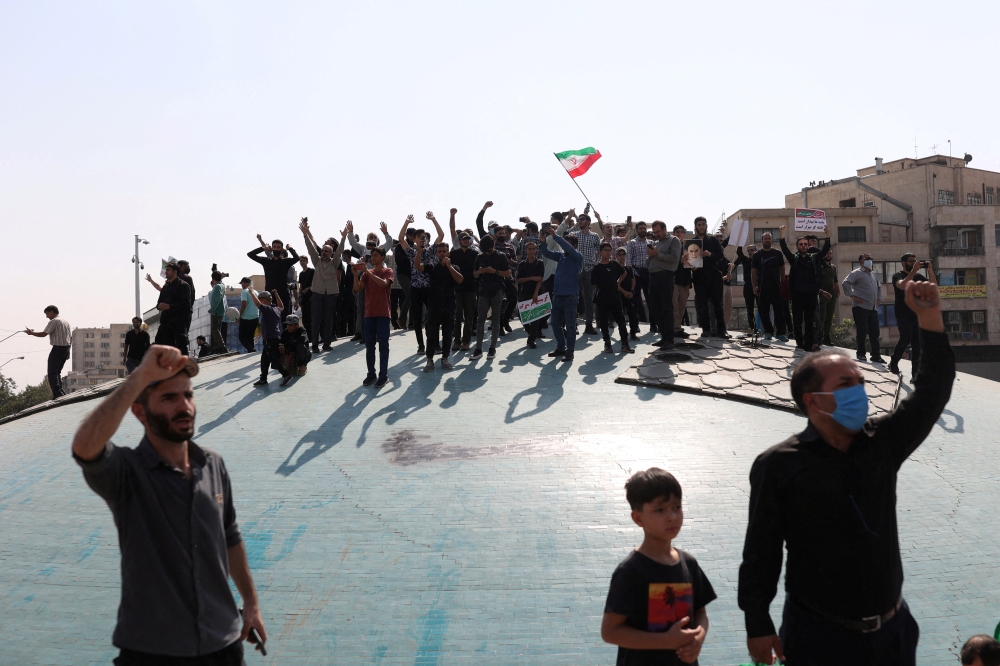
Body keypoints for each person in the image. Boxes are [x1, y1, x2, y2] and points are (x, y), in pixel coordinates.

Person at [738, 281, 953, 665]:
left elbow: (932, 392)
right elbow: (761, 554)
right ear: (813, 400)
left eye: (860, 383)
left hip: (892, 634)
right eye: (845, 384)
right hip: (818, 637)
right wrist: (758, 622)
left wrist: (930, 318)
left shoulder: (881, 444)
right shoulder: (780, 465)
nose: (859, 391)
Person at [70, 344, 266, 664]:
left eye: (188, 395)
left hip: (223, 645)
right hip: (151, 651)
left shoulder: (213, 464)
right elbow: (84, 446)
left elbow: (230, 537)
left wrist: (251, 603)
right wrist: (141, 375)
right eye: (169, 398)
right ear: (140, 412)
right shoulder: (126, 472)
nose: (184, 406)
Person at [602, 468, 716, 665]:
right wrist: (665, 641)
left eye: (677, 507)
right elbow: (610, 632)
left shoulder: (688, 563)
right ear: (638, 518)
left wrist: (698, 638)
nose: (671, 516)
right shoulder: (630, 572)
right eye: (660, 510)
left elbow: (700, 614)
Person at [779, 224, 830, 351]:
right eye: (801, 244)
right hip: (797, 294)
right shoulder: (794, 259)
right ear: (798, 246)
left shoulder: (813, 258)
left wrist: (827, 235)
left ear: (808, 246)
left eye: (805, 244)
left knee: (809, 320)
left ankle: (808, 344)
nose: (803, 246)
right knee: (797, 319)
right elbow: (784, 249)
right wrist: (782, 235)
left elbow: (824, 250)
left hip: (811, 294)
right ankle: (799, 342)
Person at [399, 213, 445, 355]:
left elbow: (441, 235)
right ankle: (420, 345)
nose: (422, 239)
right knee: (417, 319)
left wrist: (433, 219)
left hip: (429, 289)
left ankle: (435, 344)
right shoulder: (412, 252)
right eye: (419, 237)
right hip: (416, 289)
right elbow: (401, 238)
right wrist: (406, 222)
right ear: (414, 239)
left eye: (424, 237)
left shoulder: (431, 250)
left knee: (433, 317)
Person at [300, 219, 348, 352]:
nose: (324, 252)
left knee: (328, 319)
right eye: (323, 251)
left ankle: (327, 343)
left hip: (330, 294)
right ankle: (314, 344)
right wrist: (305, 234)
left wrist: (343, 237)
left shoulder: (334, 262)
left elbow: (340, 250)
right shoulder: (317, 261)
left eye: (327, 251)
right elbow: (310, 248)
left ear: (331, 253)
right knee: (316, 320)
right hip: (317, 294)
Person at [540, 216, 583, 363]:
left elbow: (568, 248)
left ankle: (569, 351)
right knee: (555, 324)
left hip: (570, 296)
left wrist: (555, 235)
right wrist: (543, 242)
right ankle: (560, 347)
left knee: (570, 325)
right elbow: (546, 253)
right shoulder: (561, 256)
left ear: (574, 246)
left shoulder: (577, 256)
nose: (565, 246)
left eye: (569, 243)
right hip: (557, 295)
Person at [354, 247, 394, 388]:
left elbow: (383, 284)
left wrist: (366, 272)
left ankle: (383, 376)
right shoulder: (367, 274)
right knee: (369, 346)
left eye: (376, 255)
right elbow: (358, 289)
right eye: (372, 256)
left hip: (383, 313)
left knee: (383, 346)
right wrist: (355, 275)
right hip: (369, 314)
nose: (373, 258)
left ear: (383, 257)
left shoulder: (388, 271)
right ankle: (371, 374)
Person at [470, 235, 512, 360]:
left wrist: (494, 271)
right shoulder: (480, 257)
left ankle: (492, 348)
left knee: (495, 320)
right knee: (480, 320)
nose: (486, 253)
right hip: (483, 292)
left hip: (497, 291)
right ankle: (478, 348)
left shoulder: (501, 256)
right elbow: (474, 274)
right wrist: (479, 272)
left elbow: (508, 272)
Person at [424, 242, 464, 371]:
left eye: (444, 251)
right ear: (436, 254)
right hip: (434, 306)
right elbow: (417, 267)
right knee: (431, 334)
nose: (442, 253)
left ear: (448, 253)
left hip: (449, 305)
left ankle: (445, 358)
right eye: (439, 251)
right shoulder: (432, 267)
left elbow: (460, 280)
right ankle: (429, 360)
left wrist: (449, 266)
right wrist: (419, 251)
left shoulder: (455, 267)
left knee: (447, 334)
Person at [889, 254, 930, 378]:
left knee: (917, 344)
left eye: (915, 261)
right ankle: (894, 362)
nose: (913, 263)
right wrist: (913, 271)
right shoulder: (897, 276)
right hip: (903, 314)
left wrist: (930, 270)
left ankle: (915, 375)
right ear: (903, 263)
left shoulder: (918, 276)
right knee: (905, 339)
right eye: (911, 261)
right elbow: (902, 285)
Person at [842, 252, 885, 363]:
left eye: (871, 258)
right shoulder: (856, 273)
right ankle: (861, 354)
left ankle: (876, 355)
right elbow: (845, 283)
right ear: (861, 261)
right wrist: (853, 296)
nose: (870, 260)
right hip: (860, 307)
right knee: (862, 331)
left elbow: (879, 287)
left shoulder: (873, 274)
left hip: (873, 307)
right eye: (867, 258)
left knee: (875, 333)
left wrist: (879, 299)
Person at [689, 217, 728, 339]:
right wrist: (692, 268)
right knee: (702, 305)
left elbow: (720, 256)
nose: (701, 227)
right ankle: (705, 330)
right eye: (699, 225)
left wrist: (710, 255)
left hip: (714, 276)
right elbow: (690, 262)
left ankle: (722, 331)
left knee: (718, 305)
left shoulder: (713, 240)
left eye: (703, 224)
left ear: (706, 226)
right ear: (695, 226)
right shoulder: (691, 242)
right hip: (699, 277)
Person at [592, 243, 634, 354]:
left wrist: (617, 283)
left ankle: (625, 344)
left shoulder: (615, 264)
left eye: (610, 250)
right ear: (600, 252)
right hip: (602, 299)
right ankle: (607, 344)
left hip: (615, 298)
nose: (608, 252)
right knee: (604, 322)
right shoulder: (597, 267)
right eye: (605, 250)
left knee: (621, 321)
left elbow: (624, 273)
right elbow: (594, 284)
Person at [646, 221, 682, 349]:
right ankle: (663, 336)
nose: (656, 234)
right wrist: (651, 255)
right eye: (654, 232)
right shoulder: (655, 243)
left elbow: (674, 258)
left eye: (658, 232)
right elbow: (648, 262)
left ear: (664, 229)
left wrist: (657, 254)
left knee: (667, 308)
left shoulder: (674, 240)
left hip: (665, 277)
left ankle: (670, 339)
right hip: (653, 277)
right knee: (655, 308)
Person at [24, 305, 72, 398]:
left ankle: (57, 393)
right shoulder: (66, 321)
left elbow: (43, 334)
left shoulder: (54, 321)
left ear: (52, 312)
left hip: (58, 348)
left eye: (47, 314)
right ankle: (60, 391)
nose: (47, 316)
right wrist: (68, 350)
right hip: (66, 348)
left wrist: (31, 333)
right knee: (57, 372)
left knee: (52, 372)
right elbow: (70, 337)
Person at [247, 236, 299, 320]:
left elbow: (297, 258)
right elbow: (250, 254)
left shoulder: (285, 262)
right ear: (272, 248)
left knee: (286, 320)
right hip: (269, 295)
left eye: (278, 247)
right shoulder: (266, 261)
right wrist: (263, 248)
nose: (276, 249)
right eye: (274, 247)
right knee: (269, 320)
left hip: (283, 295)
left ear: (281, 249)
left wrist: (290, 248)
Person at [567, 210, 601, 335]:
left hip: (589, 270)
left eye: (581, 219)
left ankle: (588, 325)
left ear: (588, 222)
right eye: (578, 220)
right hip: (575, 270)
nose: (579, 221)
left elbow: (599, 250)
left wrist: (598, 265)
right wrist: (575, 220)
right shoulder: (574, 234)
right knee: (573, 299)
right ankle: (573, 325)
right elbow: (565, 234)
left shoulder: (595, 236)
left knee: (589, 299)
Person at [248, 289, 290, 387]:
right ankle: (263, 379)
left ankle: (286, 375)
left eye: (261, 300)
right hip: (273, 337)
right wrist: (276, 294)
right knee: (265, 360)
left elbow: (258, 304)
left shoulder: (267, 309)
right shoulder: (276, 309)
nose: (260, 302)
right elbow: (282, 306)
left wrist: (252, 292)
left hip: (270, 338)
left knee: (273, 358)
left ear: (266, 301)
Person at [146, 263, 192, 353]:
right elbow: (159, 302)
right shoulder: (166, 287)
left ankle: (183, 366)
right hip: (166, 322)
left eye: (168, 270)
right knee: (167, 348)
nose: (165, 272)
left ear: (175, 272)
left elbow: (185, 304)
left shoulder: (183, 285)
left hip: (179, 322)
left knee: (181, 347)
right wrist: (160, 306)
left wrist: (170, 306)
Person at [750, 233, 788, 342]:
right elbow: (753, 271)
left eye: (769, 238)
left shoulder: (777, 253)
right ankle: (768, 332)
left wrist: (782, 281)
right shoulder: (757, 255)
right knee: (764, 311)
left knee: (779, 311)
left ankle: (780, 333)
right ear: (762, 240)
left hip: (776, 286)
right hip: (762, 287)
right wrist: (754, 286)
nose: (767, 240)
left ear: (772, 240)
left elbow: (782, 267)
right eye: (765, 238)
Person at [449, 226, 479, 351]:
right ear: (459, 241)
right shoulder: (454, 254)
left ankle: (466, 341)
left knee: (469, 317)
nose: (466, 241)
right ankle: (456, 341)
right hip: (457, 289)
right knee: (456, 317)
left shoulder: (475, 253)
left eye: (468, 239)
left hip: (471, 289)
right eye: (464, 239)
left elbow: (478, 270)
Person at [516, 240, 546, 349]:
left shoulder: (540, 263)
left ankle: (531, 339)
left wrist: (536, 293)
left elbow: (540, 279)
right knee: (521, 313)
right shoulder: (522, 264)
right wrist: (531, 278)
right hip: (525, 291)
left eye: (533, 249)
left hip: (536, 291)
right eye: (529, 249)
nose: (532, 251)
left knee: (535, 316)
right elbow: (519, 280)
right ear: (526, 250)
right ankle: (529, 331)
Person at [626, 222, 653, 329]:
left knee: (650, 299)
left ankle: (653, 324)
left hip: (648, 273)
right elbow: (628, 261)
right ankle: (635, 324)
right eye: (640, 228)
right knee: (636, 301)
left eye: (644, 228)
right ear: (637, 230)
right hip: (636, 274)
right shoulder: (632, 243)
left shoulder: (651, 243)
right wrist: (632, 275)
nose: (642, 230)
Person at [671, 226, 692, 339]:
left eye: (681, 232)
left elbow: (691, 266)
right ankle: (676, 329)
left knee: (682, 307)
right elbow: (670, 262)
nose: (679, 234)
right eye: (677, 232)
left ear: (684, 234)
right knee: (674, 306)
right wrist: (680, 260)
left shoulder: (688, 247)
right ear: (673, 234)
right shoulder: (670, 247)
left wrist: (689, 282)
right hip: (674, 280)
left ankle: (677, 327)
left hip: (685, 281)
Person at [616, 247, 640, 339]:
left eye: (623, 255)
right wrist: (624, 292)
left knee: (633, 314)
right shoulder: (616, 268)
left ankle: (633, 332)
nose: (622, 257)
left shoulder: (629, 268)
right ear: (617, 256)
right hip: (620, 294)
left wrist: (631, 291)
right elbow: (616, 283)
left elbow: (633, 279)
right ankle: (623, 334)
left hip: (630, 294)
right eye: (620, 255)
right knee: (621, 316)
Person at [279, 314, 310, 384]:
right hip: (290, 353)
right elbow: (280, 341)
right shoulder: (285, 332)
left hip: (301, 354)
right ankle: (284, 367)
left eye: (291, 325)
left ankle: (302, 365)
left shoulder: (302, 330)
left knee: (300, 346)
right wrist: (281, 346)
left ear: (297, 325)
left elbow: (301, 341)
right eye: (287, 325)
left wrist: (286, 346)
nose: (288, 327)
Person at [817, 250, 839, 346]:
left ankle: (827, 337)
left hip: (832, 295)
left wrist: (838, 292)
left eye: (830, 253)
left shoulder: (833, 267)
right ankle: (819, 337)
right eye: (827, 253)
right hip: (822, 295)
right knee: (821, 317)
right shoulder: (819, 266)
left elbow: (835, 280)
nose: (829, 255)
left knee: (829, 317)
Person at [734, 245, 758, 332]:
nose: (750, 252)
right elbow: (739, 252)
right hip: (748, 286)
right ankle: (753, 328)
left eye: (752, 250)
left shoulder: (759, 260)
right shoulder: (746, 260)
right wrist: (740, 241)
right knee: (749, 308)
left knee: (762, 308)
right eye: (748, 251)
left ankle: (763, 328)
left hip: (758, 286)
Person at [237, 278, 259, 354]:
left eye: (242, 284)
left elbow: (243, 304)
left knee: (242, 337)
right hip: (255, 317)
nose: (241, 286)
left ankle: (251, 349)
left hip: (246, 318)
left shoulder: (244, 291)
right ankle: (251, 351)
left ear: (244, 283)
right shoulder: (256, 292)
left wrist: (239, 316)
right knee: (250, 337)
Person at [208, 271, 228, 354]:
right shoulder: (222, 285)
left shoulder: (217, 287)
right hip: (220, 310)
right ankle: (217, 347)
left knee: (215, 329)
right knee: (217, 329)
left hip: (216, 311)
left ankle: (222, 346)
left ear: (213, 279)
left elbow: (217, 299)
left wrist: (212, 309)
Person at [296, 254, 314, 342]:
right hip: (304, 299)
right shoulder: (301, 274)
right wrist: (299, 297)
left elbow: (315, 283)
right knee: (305, 319)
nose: (302, 262)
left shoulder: (312, 271)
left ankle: (313, 337)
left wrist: (308, 288)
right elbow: (301, 286)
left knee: (311, 318)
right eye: (301, 261)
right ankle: (308, 338)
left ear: (307, 261)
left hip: (311, 297)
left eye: (304, 260)